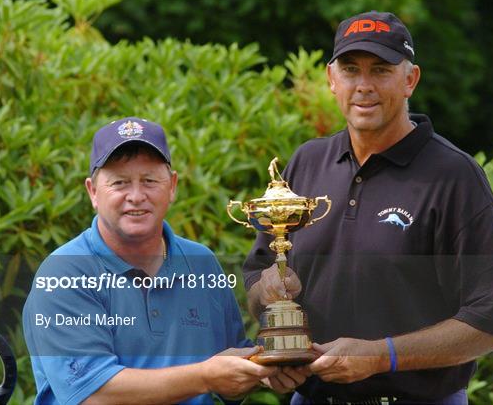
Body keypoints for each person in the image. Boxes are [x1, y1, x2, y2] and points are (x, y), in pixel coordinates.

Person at [243, 11, 493, 404]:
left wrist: (382, 356)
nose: (364, 86)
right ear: (331, 79)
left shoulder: (454, 177)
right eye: (351, 69)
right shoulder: (306, 163)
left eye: (381, 70)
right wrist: (268, 290)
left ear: (410, 80)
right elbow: (256, 274)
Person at [22, 117, 304, 404]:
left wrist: (270, 366)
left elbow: (228, 368)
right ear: (93, 192)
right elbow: (94, 394)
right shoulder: (64, 273)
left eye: (149, 181)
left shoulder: (202, 263)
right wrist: (205, 376)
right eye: (120, 183)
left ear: (172, 186)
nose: (136, 196)